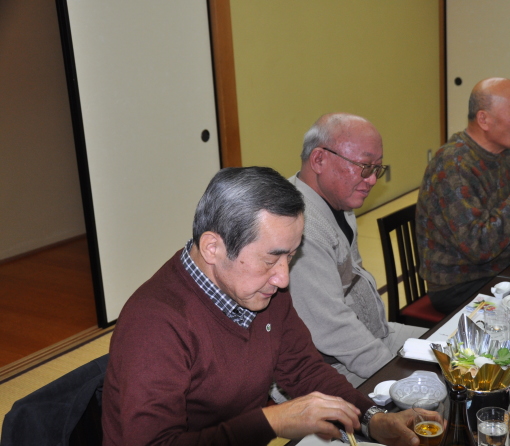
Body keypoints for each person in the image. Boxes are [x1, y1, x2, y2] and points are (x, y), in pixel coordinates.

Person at [101, 167, 421, 446]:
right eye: (270, 259)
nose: (283, 278)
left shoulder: (261, 290)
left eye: (290, 257)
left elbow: (303, 368)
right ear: (212, 247)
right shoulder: (155, 325)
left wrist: (372, 418)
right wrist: (273, 421)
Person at [288, 113, 427, 387]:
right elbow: (332, 329)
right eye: (364, 166)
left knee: (457, 350)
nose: (372, 179)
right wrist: (393, 375)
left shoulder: (341, 203)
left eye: (377, 168)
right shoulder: (300, 229)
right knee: (438, 386)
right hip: (328, 365)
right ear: (319, 160)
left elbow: (354, 280)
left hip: (373, 334)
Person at [416, 78, 510, 314]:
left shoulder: (499, 153)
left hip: (500, 266)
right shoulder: (454, 165)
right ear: (484, 119)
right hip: (461, 283)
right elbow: (480, 248)